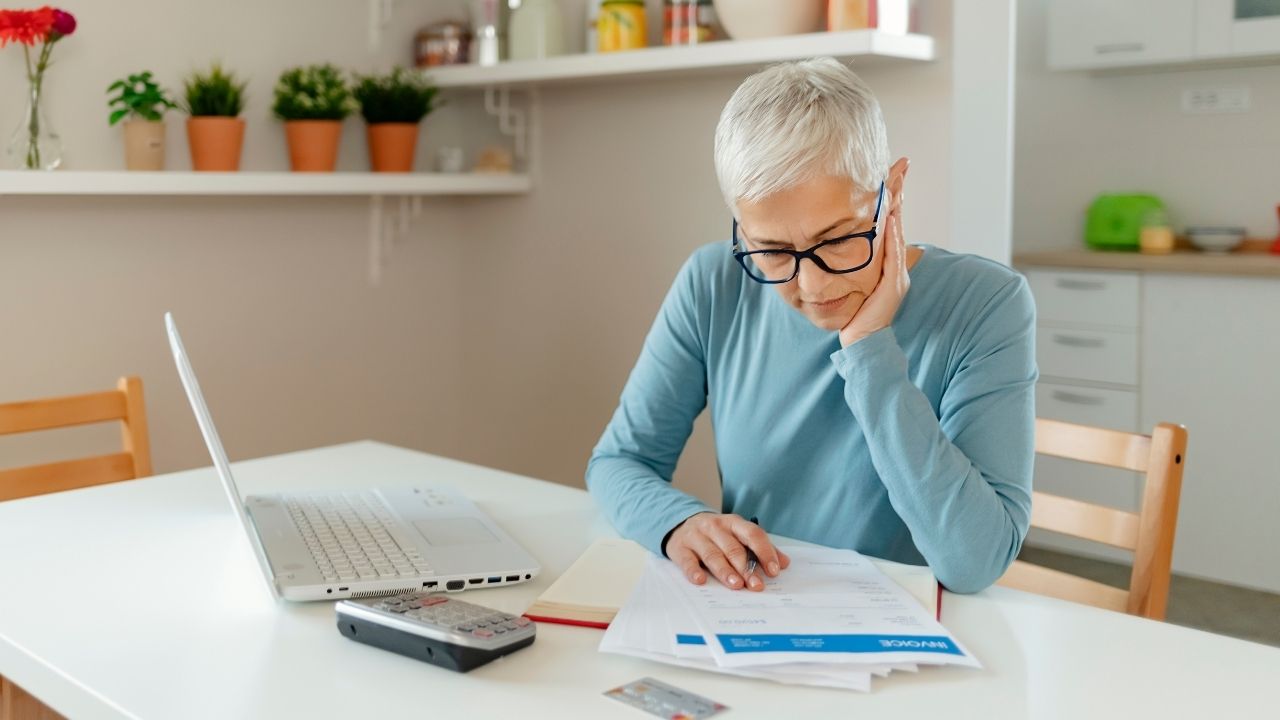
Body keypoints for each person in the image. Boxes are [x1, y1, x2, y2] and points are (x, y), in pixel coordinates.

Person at [586, 57, 1036, 594]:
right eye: (773, 250)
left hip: (915, 644)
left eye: (840, 238)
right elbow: (620, 461)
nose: (815, 286)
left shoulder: (986, 303)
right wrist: (680, 522)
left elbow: (974, 562)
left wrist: (870, 352)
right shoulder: (713, 282)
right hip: (753, 620)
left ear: (891, 194)